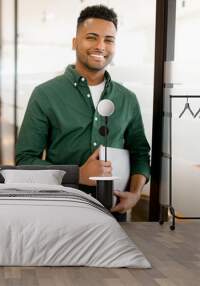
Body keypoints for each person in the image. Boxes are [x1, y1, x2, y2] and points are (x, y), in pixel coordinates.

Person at [15, 5, 150, 221]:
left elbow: (140, 153)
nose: (100, 46)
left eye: (109, 40)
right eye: (91, 37)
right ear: (75, 42)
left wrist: (135, 194)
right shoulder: (45, 94)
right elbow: (25, 160)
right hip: (60, 212)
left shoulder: (128, 99)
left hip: (113, 216)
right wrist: (77, 174)